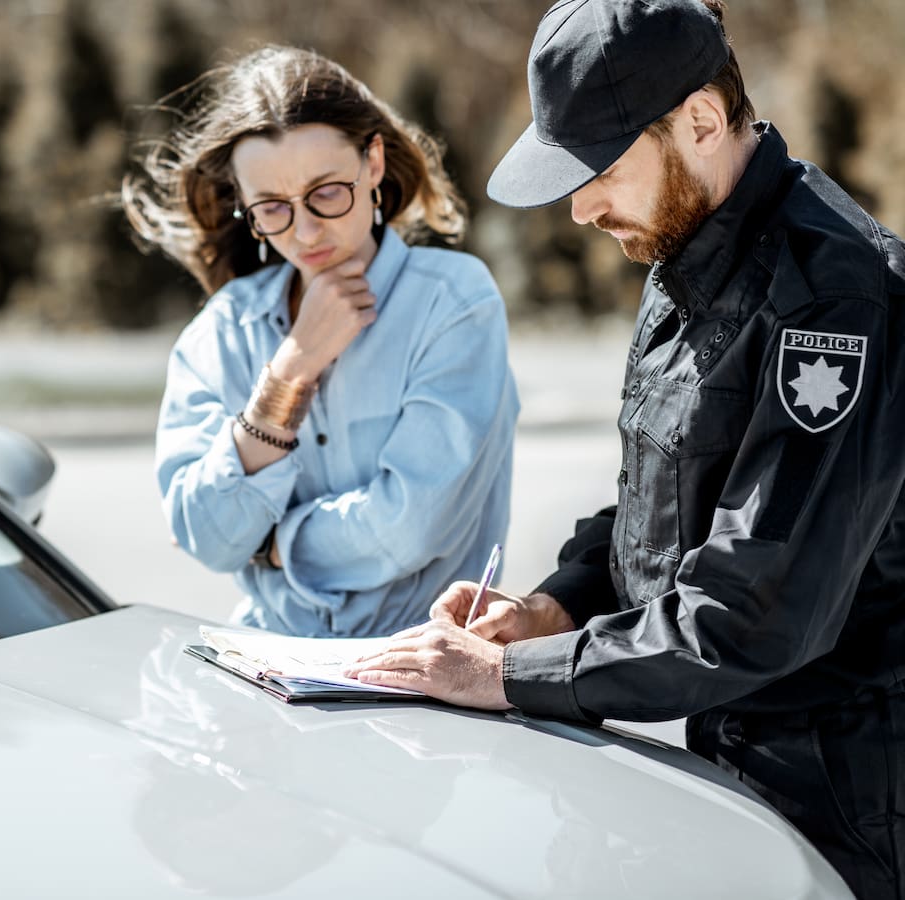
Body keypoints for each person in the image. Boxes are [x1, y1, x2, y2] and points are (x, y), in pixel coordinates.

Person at [344, 1, 905, 895]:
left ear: (702, 122)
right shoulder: (688, 247)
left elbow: (752, 613)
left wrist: (507, 675)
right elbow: (665, 492)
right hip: (733, 765)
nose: (580, 208)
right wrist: (555, 607)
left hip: (849, 805)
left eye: (600, 165)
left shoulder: (836, 304)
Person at [123, 46, 519, 637]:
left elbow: (410, 527)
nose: (305, 231)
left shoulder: (454, 302)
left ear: (374, 163)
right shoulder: (223, 329)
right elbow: (205, 536)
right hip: (263, 667)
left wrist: (274, 544)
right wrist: (286, 378)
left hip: (421, 677)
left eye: (327, 192)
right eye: (273, 208)